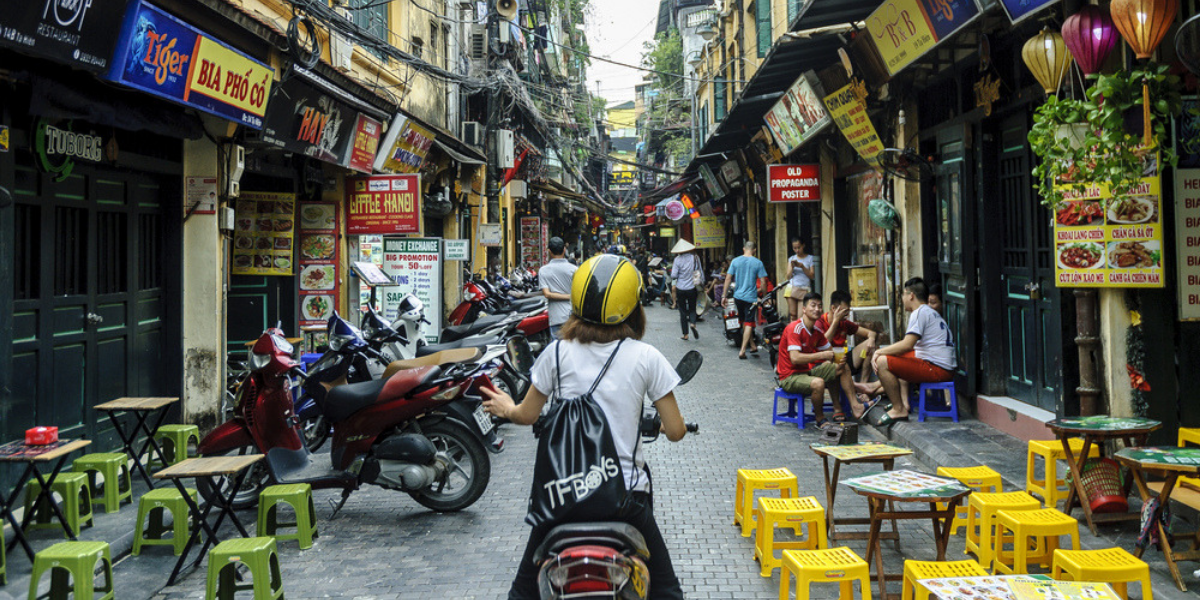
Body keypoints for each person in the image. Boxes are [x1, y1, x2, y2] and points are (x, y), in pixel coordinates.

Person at [481, 254, 688, 600]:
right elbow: (677, 430)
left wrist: (506, 407)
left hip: (562, 497)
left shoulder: (555, 354)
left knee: (521, 592)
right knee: (667, 591)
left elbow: (527, 415)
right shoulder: (647, 357)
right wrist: (664, 428)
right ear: (633, 307)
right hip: (626, 499)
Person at [873, 277, 956, 420]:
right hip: (940, 365)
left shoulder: (919, 313)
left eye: (903, 295)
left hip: (937, 369)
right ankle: (894, 400)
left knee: (882, 362)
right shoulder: (929, 312)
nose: (903, 299)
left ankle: (899, 409)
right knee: (892, 357)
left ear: (910, 295)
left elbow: (907, 344)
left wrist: (878, 351)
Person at [777, 292, 848, 426]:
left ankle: (846, 406)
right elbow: (795, 359)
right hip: (789, 377)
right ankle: (820, 419)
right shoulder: (795, 328)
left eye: (820, 306)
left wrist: (837, 358)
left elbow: (830, 351)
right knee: (818, 383)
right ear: (804, 309)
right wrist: (822, 356)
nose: (817, 309)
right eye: (813, 305)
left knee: (841, 367)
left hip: (806, 372)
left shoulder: (816, 331)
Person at [724, 241, 769, 360]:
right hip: (750, 298)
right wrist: (764, 296)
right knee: (749, 322)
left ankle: (753, 345)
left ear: (744, 249)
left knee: (744, 321)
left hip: (737, 296)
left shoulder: (735, 261)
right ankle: (743, 350)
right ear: (754, 250)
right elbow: (763, 281)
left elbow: (728, 278)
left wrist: (723, 296)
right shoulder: (758, 263)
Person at [539, 236, 577, 339]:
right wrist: (570, 297)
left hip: (556, 316)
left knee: (557, 349)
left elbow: (547, 294)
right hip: (573, 316)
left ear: (549, 251)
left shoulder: (543, 270)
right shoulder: (574, 269)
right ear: (564, 250)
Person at [670, 239, 702, 341]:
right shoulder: (695, 258)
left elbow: (674, 275)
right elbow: (698, 272)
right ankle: (692, 323)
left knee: (682, 311)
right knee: (692, 308)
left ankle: (685, 334)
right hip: (692, 288)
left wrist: (680, 275)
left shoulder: (677, 260)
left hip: (680, 288)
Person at [786, 239, 816, 322]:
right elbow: (788, 276)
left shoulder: (810, 258)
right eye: (794, 248)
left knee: (801, 316)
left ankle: (799, 333)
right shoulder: (791, 258)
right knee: (793, 315)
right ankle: (792, 333)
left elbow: (812, 276)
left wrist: (802, 266)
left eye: (799, 247)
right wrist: (792, 267)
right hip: (791, 288)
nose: (797, 250)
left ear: (803, 245)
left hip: (804, 288)